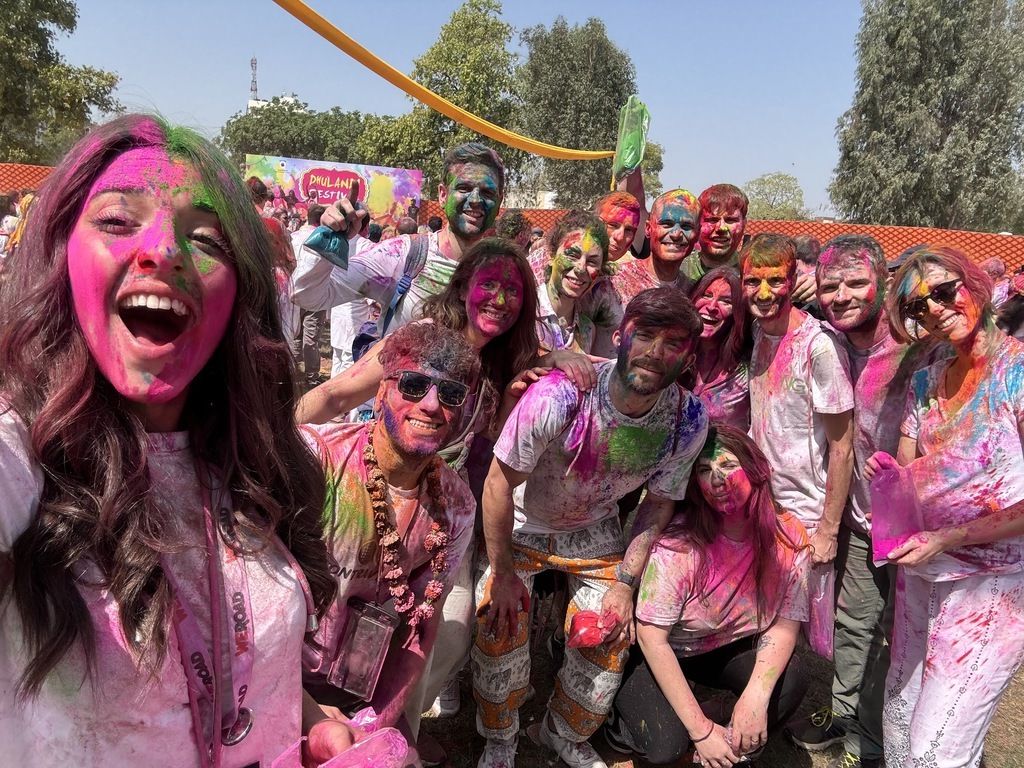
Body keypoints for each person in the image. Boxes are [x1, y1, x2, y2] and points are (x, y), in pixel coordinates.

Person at [0, 114, 343, 767]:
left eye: (205, 239)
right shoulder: (26, 454)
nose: (163, 251)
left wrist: (307, 717)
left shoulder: (256, 460)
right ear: (62, 258)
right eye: (116, 221)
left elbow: (236, 665)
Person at [473, 287, 709, 768]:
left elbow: (657, 505)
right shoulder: (561, 396)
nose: (655, 353)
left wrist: (626, 583)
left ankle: (561, 732)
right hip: (521, 525)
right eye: (644, 336)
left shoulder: (686, 418)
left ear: (688, 355)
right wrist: (500, 574)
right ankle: (500, 735)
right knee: (499, 624)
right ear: (621, 335)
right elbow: (498, 484)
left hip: (592, 531)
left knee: (610, 630)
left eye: (673, 344)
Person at [863, 246, 1024, 768]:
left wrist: (950, 537)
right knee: (902, 721)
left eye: (942, 291)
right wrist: (890, 477)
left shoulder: (1016, 372)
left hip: (991, 585)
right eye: (916, 306)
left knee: (937, 750)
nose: (932, 309)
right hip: (921, 576)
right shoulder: (926, 380)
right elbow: (910, 472)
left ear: (972, 283)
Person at [786, 235, 939, 768]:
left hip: (919, 531)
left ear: (883, 281)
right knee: (854, 626)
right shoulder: (823, 341)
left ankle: (880, 736)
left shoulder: (919, 348)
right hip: (854, 518)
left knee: (901, 638)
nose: (843, 295)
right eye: (831, 286)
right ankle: (844, 719)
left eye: (856, 283)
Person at [300, 322, 479, 741]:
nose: (432, 405)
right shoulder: (317, 461)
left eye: (451, 394)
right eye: (414, 385)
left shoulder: (456, 506)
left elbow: (422, 624)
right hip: (277, 680)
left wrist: (373, 725)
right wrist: (308, 715)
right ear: (381, 392)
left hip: (361, 692)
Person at [605, 425, 810, 766]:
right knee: (664, 746)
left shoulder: (789, 536)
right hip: (660, 649)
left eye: (728, 465)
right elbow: (653, 639)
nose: (717, 478)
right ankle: (620, 725)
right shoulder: (679, 546)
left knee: (790, 679)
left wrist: (756, 698)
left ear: (756, 469)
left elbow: (786, 622)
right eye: (704, 470)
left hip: (721, 647)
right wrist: (700, 731)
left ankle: (728, 744)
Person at [291, 142, 506, 335]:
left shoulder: (507, 272)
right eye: (464, 188)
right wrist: (330, 238)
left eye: (487, 193)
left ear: (500, 201)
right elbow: (308, 296)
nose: (476, 200)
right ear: (442, 194)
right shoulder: (402, 254)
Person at [742, 233, 854, 565]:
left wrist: (828, 532)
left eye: (775, 280)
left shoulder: (819, 347)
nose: (763, 293)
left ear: (793, 281)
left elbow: (842, 447)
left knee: (811, 617)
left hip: (808, 518)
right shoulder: (758, 332)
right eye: (752, 281)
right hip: (763, 508)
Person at [683, 266, 751, 431]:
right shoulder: (672, 355)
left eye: (726, 301)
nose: (712, 306)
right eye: (706, 295)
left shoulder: (747, 369)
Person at [535, 211, 611, 355]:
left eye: (592, 261)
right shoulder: (524, 311)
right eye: (572, 255)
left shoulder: (587, 330)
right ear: (551, 255)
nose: (581, 268)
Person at [679, 183, 748, 284]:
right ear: (697, 224)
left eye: (730, 220)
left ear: (744, 224)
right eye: (712, 220)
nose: (721, 228)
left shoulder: (751, 273)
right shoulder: (678, 270)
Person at [290, 204, 328, 386]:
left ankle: (293, 370)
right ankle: (312, 375)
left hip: (294, 292)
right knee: (311, 337)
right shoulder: (324, 239)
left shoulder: (294, 236)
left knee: (296, 333)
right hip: (316, 293)